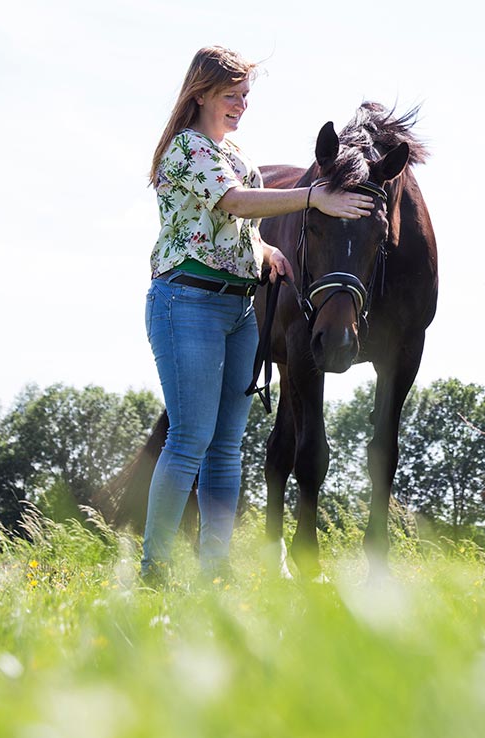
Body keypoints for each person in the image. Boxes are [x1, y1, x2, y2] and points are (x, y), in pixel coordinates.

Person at [141, 46, 372, 584]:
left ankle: (215, 569)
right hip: (187, 303)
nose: (240, 106)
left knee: (226, 447)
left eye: (245, 97)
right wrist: (314, 197)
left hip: (239, 309)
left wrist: (264, 251)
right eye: (231, 95)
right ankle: (155, 568)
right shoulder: (186, 150)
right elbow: (235, 204)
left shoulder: (237, 154)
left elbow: (241, 223)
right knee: (190, 439)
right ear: (200, 93)